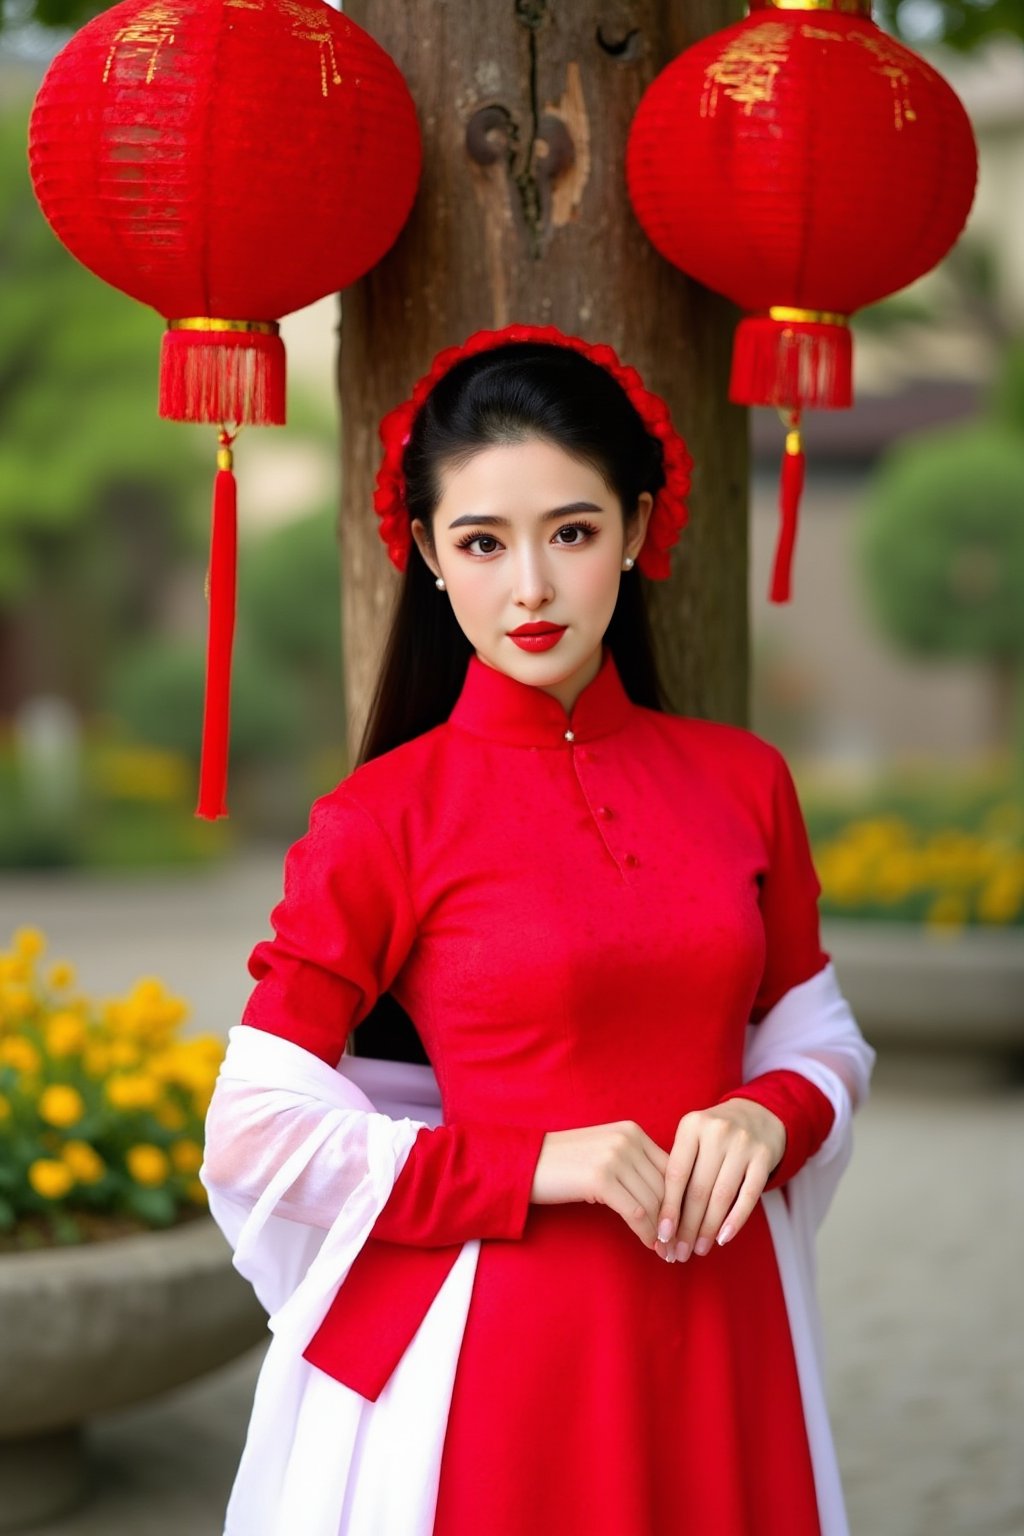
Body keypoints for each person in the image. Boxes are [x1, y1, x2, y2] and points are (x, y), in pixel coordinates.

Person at [200, 323, 876, 1536]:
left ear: (636, 529)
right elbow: (253, 1132)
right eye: (481, 541)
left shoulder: (743, 783)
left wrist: (766, 1112)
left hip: (728, 1321)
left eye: (571, 532)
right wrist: (531, 1161)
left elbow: (818, 1034)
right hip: (502, 1354)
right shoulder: (381, 819)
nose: (530, 586)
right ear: (426, 554)